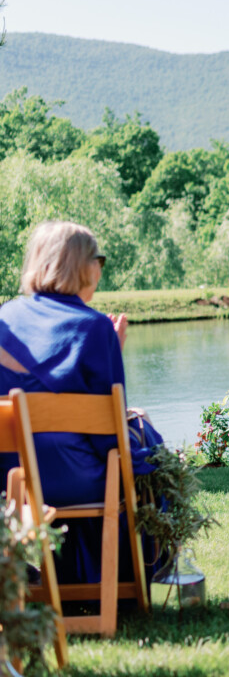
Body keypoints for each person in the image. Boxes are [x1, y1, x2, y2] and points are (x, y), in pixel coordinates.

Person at [0, 221, 164, 586]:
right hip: (78, 482)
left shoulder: (4, 320)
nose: (101, 268)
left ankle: (63, 577)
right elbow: (108, 438)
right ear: (79, 265)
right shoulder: (94, 328)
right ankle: (121, 579)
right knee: (146, 446)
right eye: (98, 259)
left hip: (12, 483)